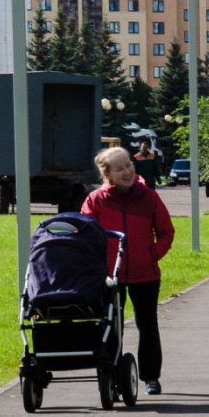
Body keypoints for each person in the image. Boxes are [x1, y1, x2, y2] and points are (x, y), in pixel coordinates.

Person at [81, 146, 175, 395]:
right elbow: (86, 237)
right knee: (112, 326)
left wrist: (151, 256)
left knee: (148, 326)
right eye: (120, 168)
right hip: (111, 277)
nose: (127, 171)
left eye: (129, 165)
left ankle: (150, 377)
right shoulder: (96, 200)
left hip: (146, 274)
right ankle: (112, 375)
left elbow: (166, 232)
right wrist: (100, 266)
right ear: (107, 174)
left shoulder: (149, 196)